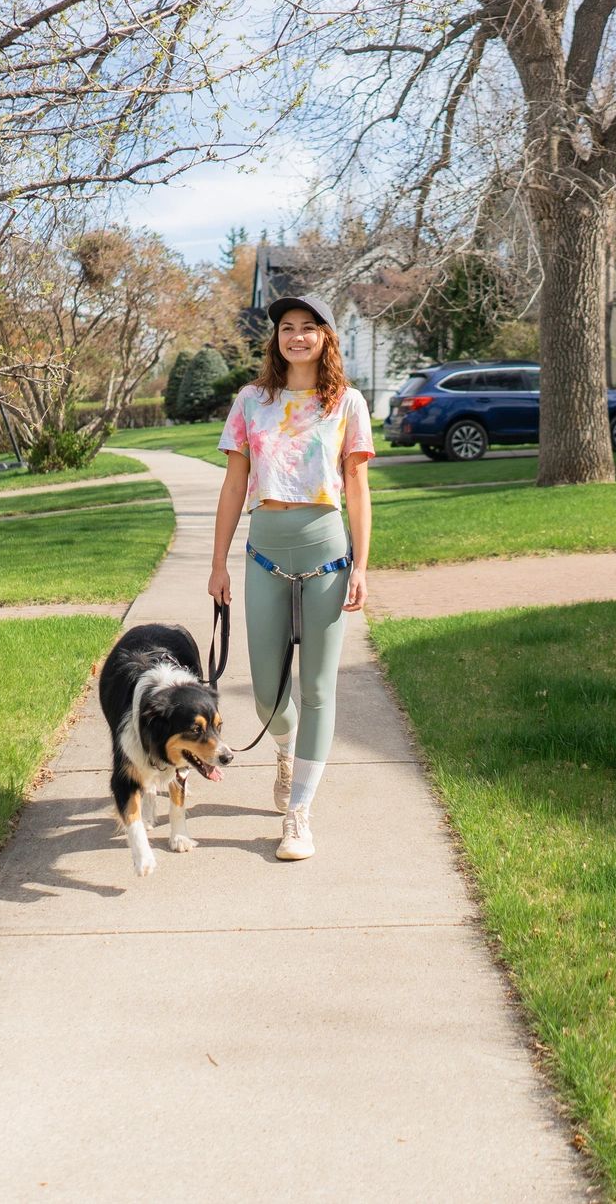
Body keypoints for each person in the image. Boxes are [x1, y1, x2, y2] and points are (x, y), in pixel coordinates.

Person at [209, 294, 373, 862]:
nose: (297, 336)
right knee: (266, 694)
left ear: (327, 337)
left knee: (319, 688)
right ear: (275, 337)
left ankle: (299, 813)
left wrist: (362, 566)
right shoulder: (252, 401)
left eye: (309, 327)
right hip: (264, 551)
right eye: (287, 327)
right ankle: (285, 749)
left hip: (327, 550)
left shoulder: (346, 402)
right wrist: (217, 564)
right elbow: (234, 486)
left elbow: (356, 489)